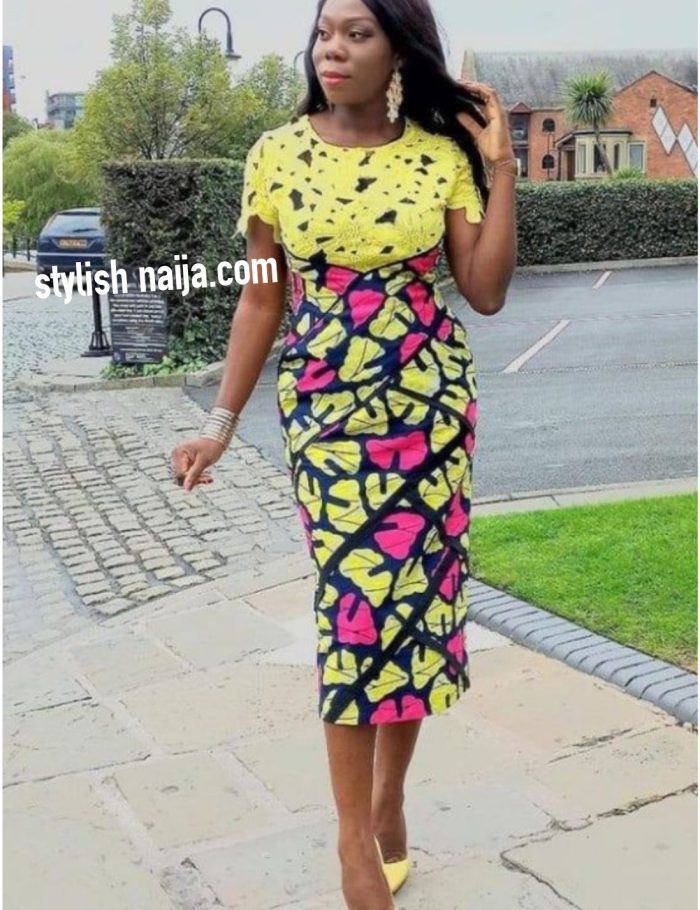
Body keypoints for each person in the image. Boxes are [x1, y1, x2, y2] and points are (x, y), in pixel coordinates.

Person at [171, 0, 517, 906]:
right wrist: (220, 423)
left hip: (430, 412)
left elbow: (484, 291)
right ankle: (353, 845)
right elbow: (261, 298)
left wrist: (501, 164)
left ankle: (389, 801)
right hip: (328, 414)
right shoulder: (275, 156)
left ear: (398, 50)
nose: (333, 48)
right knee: (355, 611)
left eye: (357, 33)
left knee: (414, 614)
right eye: (325, 31)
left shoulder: (439, 158)